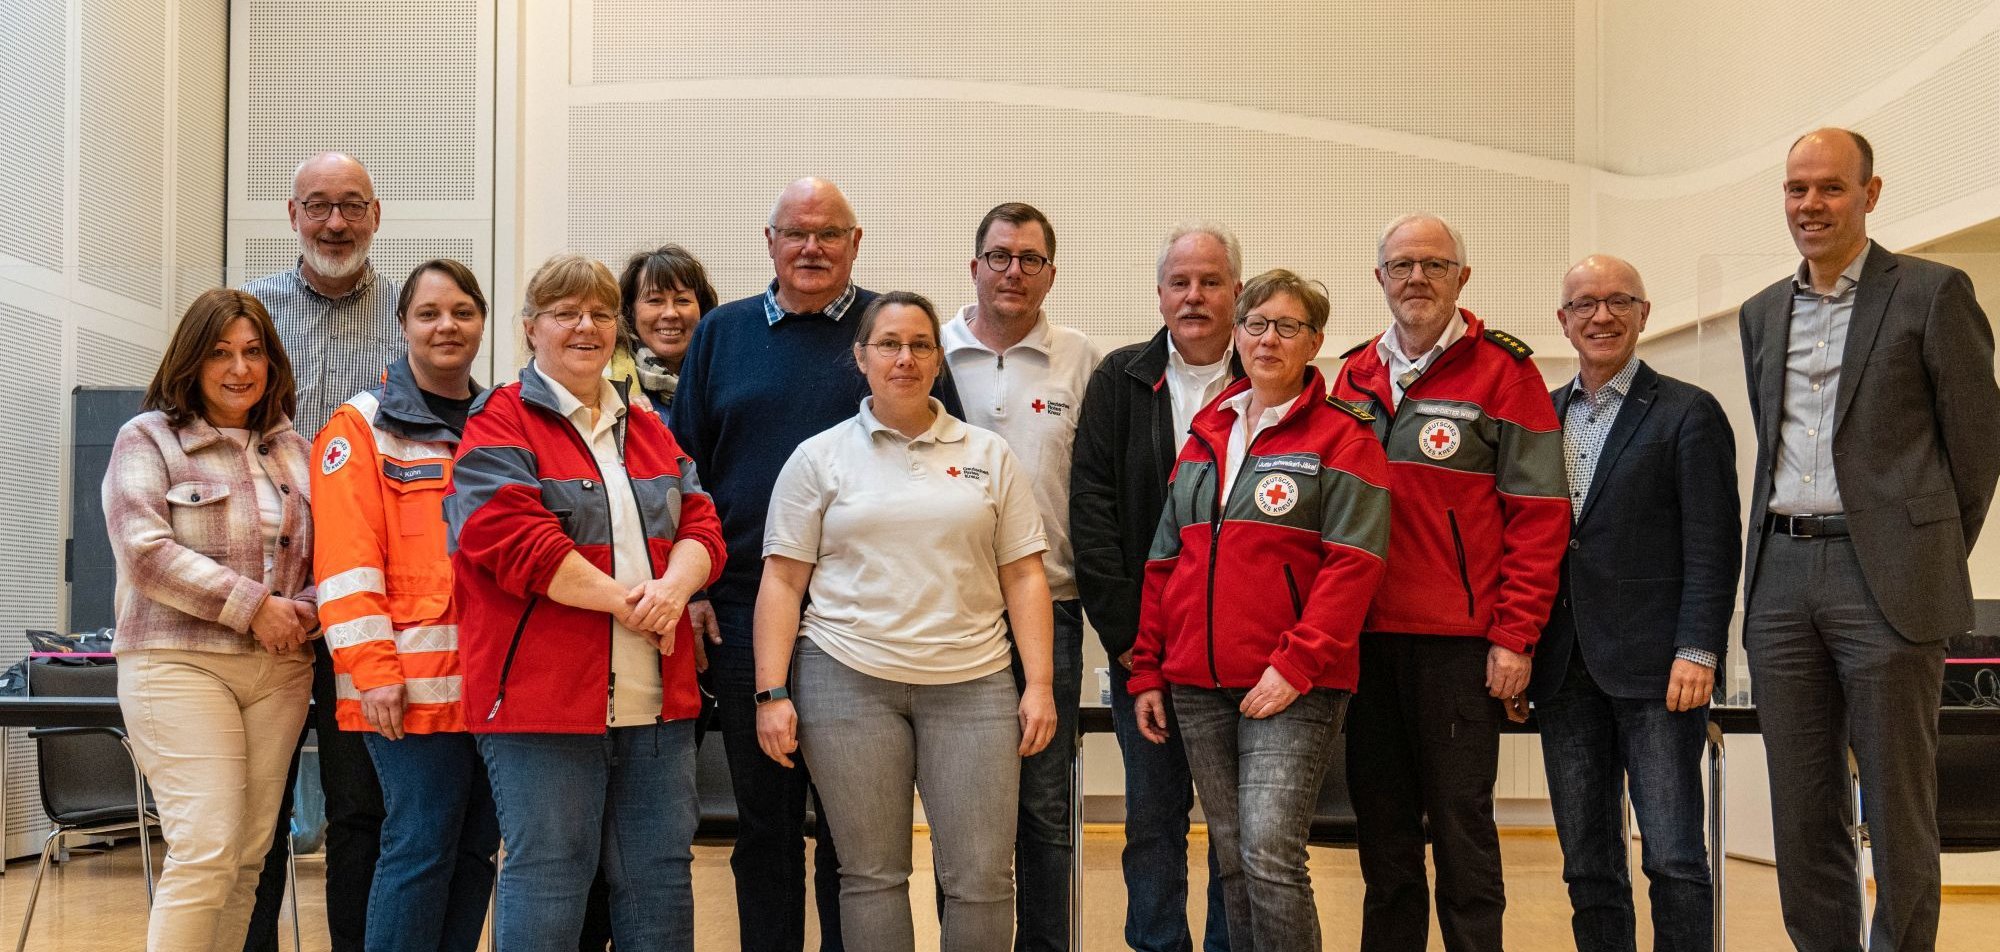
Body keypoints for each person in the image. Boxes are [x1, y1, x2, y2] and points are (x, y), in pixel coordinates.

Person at [670, 177, 961, 952]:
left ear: (855, 243)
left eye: (829, 233)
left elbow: (943, 453)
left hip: (861, 617)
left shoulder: (891, 336)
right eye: (795, 233)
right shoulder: (721, 334)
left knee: (853, 833)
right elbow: (682, 470)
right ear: (769, 242)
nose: (811, 248)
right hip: (740, 610)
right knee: (763, 824)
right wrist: (689, 584)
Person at [1738, 128, 2000, 952]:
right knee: (1802, 806)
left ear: (1871, 194)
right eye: (1795, 189)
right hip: (1780, 572)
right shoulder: (1760, 312)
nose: (1810, 205)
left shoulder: (1932, 292)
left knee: (1897, 805)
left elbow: (1977, 454)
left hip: (1882, 576)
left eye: (1830, 188)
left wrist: (1917, 557)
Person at [754, 291, 1058, 952]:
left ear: (939, 359)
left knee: (982, 878)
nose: (905, 358)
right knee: (870, 876)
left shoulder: (988, 454)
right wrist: (771, 692)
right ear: (861, 357)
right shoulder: (818, 458)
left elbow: (1024, 574)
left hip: (974, 683)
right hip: (845, 682)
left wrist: (1038, 684)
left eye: (920, 344)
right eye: (889, 343)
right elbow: (782, 581)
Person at [446, 253, 725, 950]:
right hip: (541, 702)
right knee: (550, 873)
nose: (586, 327)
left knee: (660, 877)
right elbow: (511, 539)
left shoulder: (646, 425)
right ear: (530, 329)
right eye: (565, 313)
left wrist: (674, 588)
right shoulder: (500, 421)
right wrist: (627, 602)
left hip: (656, 699)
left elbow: (702, 523)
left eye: (601, 313)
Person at [1129, 269, 1390, 952]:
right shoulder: (1207, 432)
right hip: (1196, 684)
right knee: (1234, 857)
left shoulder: (1344, 435)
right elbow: (1166, 561)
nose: (1268, 338)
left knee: (1271, 853)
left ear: (1316, 343)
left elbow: (1354, 564)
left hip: (1293, 684)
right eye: (1255, 324)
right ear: (1237, 336)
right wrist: (1149, 669)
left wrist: (1296, 664)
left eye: (1288, 326)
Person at [1329, 213, 1569, 952]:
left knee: (1463, 835)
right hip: (1365, 645)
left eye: (1435, 265)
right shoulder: (1351, 374)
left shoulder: (1506, 371)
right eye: (1401, 266)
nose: (1417, 280)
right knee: (1385, 840)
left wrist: (1515, 636)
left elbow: (1539, 517)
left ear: (1463, 278)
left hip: (1459, 651)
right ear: (1379, 280)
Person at [1529, 255, 1740, 952]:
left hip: (1660, 673)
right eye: (1584, 304)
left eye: (1619, 300)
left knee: (1674, 859)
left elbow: (1714, 544)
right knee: (1588, 864)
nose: (1601, 315)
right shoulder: (1541, 417)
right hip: (1564, 672)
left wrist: (1699, 649)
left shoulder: (1688, 412)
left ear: (1644, 314)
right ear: (1563, 321)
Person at [104, 288, 317, 950]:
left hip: (280, 671)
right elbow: (145, 554)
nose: (239, 368)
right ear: (191, 361)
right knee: (205, 849)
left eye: (253, 352)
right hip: (178, 662)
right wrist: (254, 607)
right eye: (220, 353)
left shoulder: (294, 449)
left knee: (247, 860)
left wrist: (302, 612)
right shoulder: (148, 437)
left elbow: (333, 559)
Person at [313, 259, 498, 952]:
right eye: (428, 313)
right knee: (419, 848)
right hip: (407, 690)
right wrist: (373, 670)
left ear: (482, 321)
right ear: (402, 326)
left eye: (462, 311)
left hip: (489, 687)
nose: (446, 326)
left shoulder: (500, 418)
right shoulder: (359, 427)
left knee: (475, 851)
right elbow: (343, 564)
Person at [241, 150, 396, 952]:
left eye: (351, 205)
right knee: (256, 811)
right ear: (292, 214)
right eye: (317, 206)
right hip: (265, 601)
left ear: (377, 214)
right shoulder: (247, 317)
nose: (334, 222)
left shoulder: (415, 314)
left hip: (368, 600)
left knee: (361, 809)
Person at [1070, 221, 1240, 952]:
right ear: (1160, 293)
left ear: (1237, 289)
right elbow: (1096, 522)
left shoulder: (1272, 374)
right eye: (1181, 282)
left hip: (1245, 657)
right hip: (1150, 657)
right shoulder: (1120, 380)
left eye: (1210, 281)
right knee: (1153, 829)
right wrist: (1137, 651)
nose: (1194, 296)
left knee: (1240, 837)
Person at [939, 202, 1097, 951]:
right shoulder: (927, 351)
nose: (1013, 272)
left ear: (1051, 275)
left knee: (1043, 805)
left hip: (1051, 611)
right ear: (974, 266)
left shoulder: (1081, 361)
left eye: (1030, 260)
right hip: (947, 613)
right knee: (959, 805)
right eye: (999, 256)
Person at [611, 243, 720, 417]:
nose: (670, 313)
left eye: (683, 300)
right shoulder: (606, 384)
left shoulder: (723, 378)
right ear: (629, 311)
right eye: (655, 300)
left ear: (702, 309)